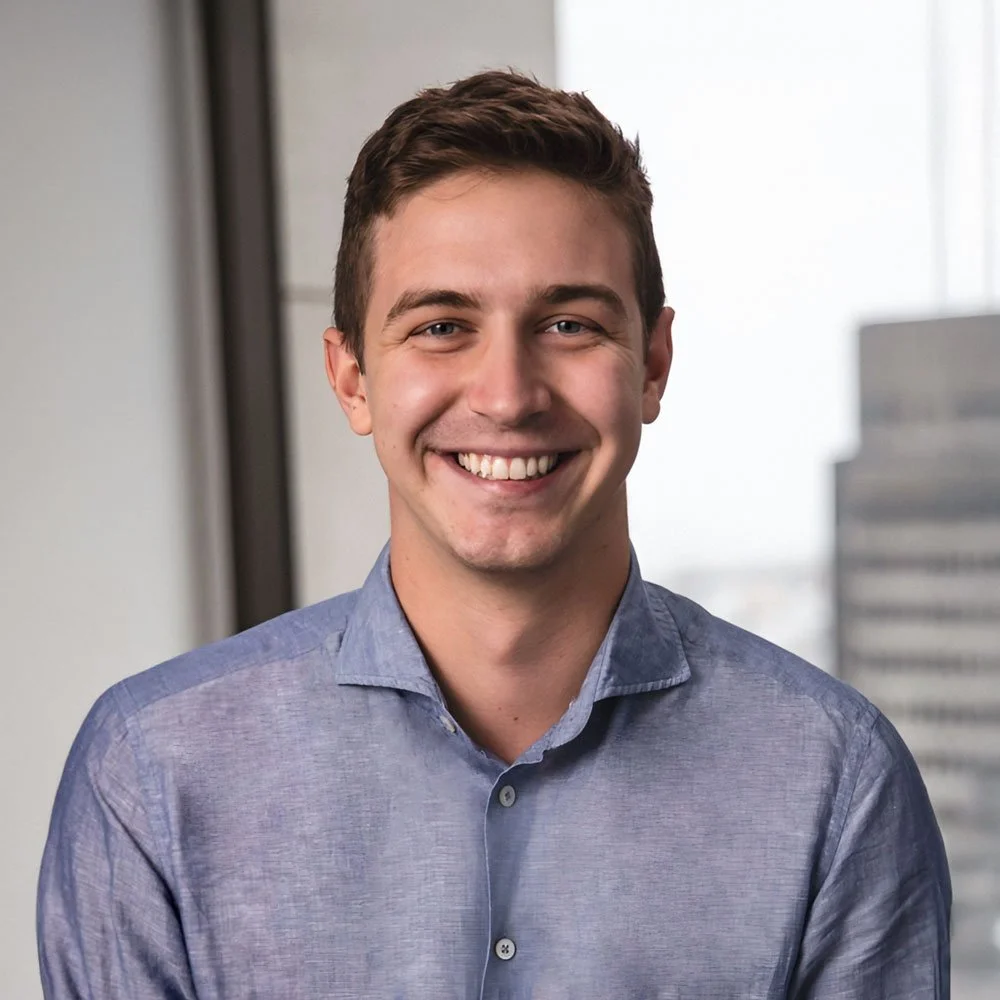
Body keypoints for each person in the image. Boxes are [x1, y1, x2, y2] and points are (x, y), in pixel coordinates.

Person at [38, 70, 950, 999]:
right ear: (352, 378)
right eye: (441, 326)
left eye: (568, 323)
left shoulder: (834, 782)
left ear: (654, 365)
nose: (508, 396)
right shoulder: (153, 772)